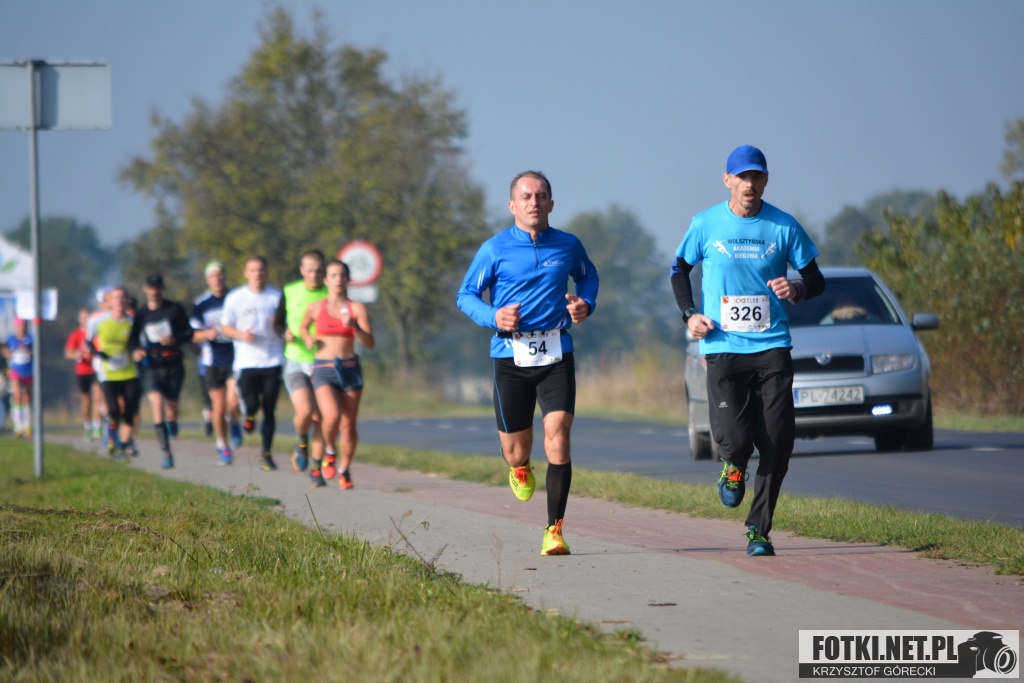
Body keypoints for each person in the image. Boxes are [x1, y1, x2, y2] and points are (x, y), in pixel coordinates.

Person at [670, 145, 826, 557]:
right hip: (723, 347)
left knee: (778, 441)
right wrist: (689, 314)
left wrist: (798, 288)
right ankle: (734, 465)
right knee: (737, 440)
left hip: (772, 345)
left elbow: (816, 278)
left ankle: (759, 530)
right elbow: (678, 270)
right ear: (728, 181)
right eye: (742, 176)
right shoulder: (705, 223)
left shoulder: (783, 225)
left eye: (756, 176)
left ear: (766, 180)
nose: (749, 183)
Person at [457, 170, 599, 556]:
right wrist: (493, 316)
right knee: (516, 451)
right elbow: (466, 295)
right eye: (526, 196)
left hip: (556, 353)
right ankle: (519, 467)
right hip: (510, 356)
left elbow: (588, 277)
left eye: (540, 196)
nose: (533, 202)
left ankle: (554, 531)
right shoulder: (494, 249)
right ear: (512, 205)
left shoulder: (568, 245)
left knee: (559, 437)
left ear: (551, 203)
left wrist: (585, 303)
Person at [299, 259, 375, 489]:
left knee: (348, 426)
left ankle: (344, 470)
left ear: (348, 279)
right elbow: (303, 327)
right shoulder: (315, 307)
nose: (338, 279)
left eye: (342, 275)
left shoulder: (357, 308)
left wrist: (354, 327)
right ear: (326, 280)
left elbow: (369, 342)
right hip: (323, 368)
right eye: (333, 275)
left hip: (349, 367)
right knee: (330, 416)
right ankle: (330, 451)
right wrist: (308, 338)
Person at [220, 255, 284, 471]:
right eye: (253, 270)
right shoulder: (235, 298)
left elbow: (286, 327)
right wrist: (240, 334)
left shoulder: (276, 297)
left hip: (272, 360)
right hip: (246, 361)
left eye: (261, 270)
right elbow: (225, 327)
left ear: (267, 272)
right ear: (246, 273)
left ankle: (266, 454)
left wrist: (279, 327)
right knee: (252, 404)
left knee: (269, 408)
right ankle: (248, 415)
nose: (258, 274)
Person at [129, 274, 194, 469]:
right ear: (145, 289)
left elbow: (189, 333)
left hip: (173, 364)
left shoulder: (174, 310)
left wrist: (175, 340)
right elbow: (132, 340)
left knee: (171, 410)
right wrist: (136, 351)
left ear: (162, 289)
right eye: (151, 287)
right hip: (152, 367)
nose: (154, 291)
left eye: (157, 287)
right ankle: (166, 453)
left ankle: (172, 422)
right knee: (157, 405)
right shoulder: (141, 314)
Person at [273, 249, 327, 474]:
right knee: (305, 412)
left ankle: (317, 466)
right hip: (295, 360)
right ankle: (301, 441)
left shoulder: (330, 293)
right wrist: (283, 333)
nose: (314, 275)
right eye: (310, 271)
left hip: (322, 362)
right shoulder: (290, 291)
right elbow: (277, 323)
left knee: (321, 417)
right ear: (302, 270)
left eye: (318, 271)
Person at [191, 261, 244, 465]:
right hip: (212, 360)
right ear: (208, 280)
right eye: (213, 276)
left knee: (233, 401)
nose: (217, 279)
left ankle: (235, 422)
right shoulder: (201, 304)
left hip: (235, 356)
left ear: (225, 277)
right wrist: (206, 334)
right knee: (218, 409)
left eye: (220, 275)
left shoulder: (236, 298)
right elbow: (193, 335)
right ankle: (223, 445)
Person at [88, 287, 141, 459]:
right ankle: (111, 435)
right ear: (109, 302)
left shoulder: (133, 322)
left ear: (127, 301)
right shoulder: (98, 320)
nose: (119, 301)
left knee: (130, 410)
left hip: (129, 372)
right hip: (108, 372)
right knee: (113, 409)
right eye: (115, 298)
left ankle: (123, 445)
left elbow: (139, 343)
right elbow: (88, 341)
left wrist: (138, 351)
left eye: (122, 298)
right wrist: (98, 353)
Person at [64, 307, 103, 440]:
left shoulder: (96, 333)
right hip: (82, 370)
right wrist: (77, 354)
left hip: (96, 369)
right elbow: (68, 352)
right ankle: (87, 426)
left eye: (87, 317)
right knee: (86, 400)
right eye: (83, 317)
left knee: (98, 397)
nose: (85, 320)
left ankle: (97, 426)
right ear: (79, 319)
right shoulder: (76, 335)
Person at [2, 318, 32, 439]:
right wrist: (9, 355)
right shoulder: (11, 339)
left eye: (23, 325)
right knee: (17, 396)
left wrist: (29, 351)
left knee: (27, 397)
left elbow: (38, 351)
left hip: (28, 370)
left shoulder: (30, 338)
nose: (21, 328)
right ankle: (18, 426)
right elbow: (3, 347)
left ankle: (27, 426)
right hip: (16, 371)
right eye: (19, 325)